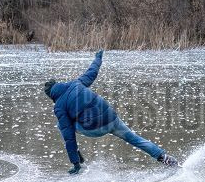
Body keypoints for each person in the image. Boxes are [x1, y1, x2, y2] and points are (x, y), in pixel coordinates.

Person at [44, 50, 179, 174]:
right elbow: (92, 71)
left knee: (62, 126)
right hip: (111, 118)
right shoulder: (76, 83)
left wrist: (75, 164)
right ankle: (164, 157)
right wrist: (98, 57)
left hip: (94, 128)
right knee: (134, 138)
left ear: (51, 96)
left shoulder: (59, 106)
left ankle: (78, 158)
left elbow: (68, 136)